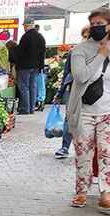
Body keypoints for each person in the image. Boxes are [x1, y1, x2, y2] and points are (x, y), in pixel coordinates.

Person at [66, 7, 110, 212]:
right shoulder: (80, 50)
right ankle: (81, 191)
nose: (96, 28)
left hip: (107, 111)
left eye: (100, 25)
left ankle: (106, 193)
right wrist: (101, 56)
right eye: (93, 25)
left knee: (107, 154)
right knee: (83, 152)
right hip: (84, 110)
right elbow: (82, 77)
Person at [54, 25, 91, 159]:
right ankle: (65, 146)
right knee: (70, 117)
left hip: (93, 91)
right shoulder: (74, 52)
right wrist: (60, 92)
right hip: (74, 88)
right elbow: (66, 73)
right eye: (85, 37)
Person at [16, 20, 46, 114]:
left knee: (24, 87)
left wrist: (17, 64)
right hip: (36, 66)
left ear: (27, 26)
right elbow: (43, 53)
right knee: (33, 86)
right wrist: (41, 65)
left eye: (24, 26)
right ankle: (32, 108)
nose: (24, 28)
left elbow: (20, 52)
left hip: (25, 66)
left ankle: (25, 109)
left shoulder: (25, 37)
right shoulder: (40, 36)